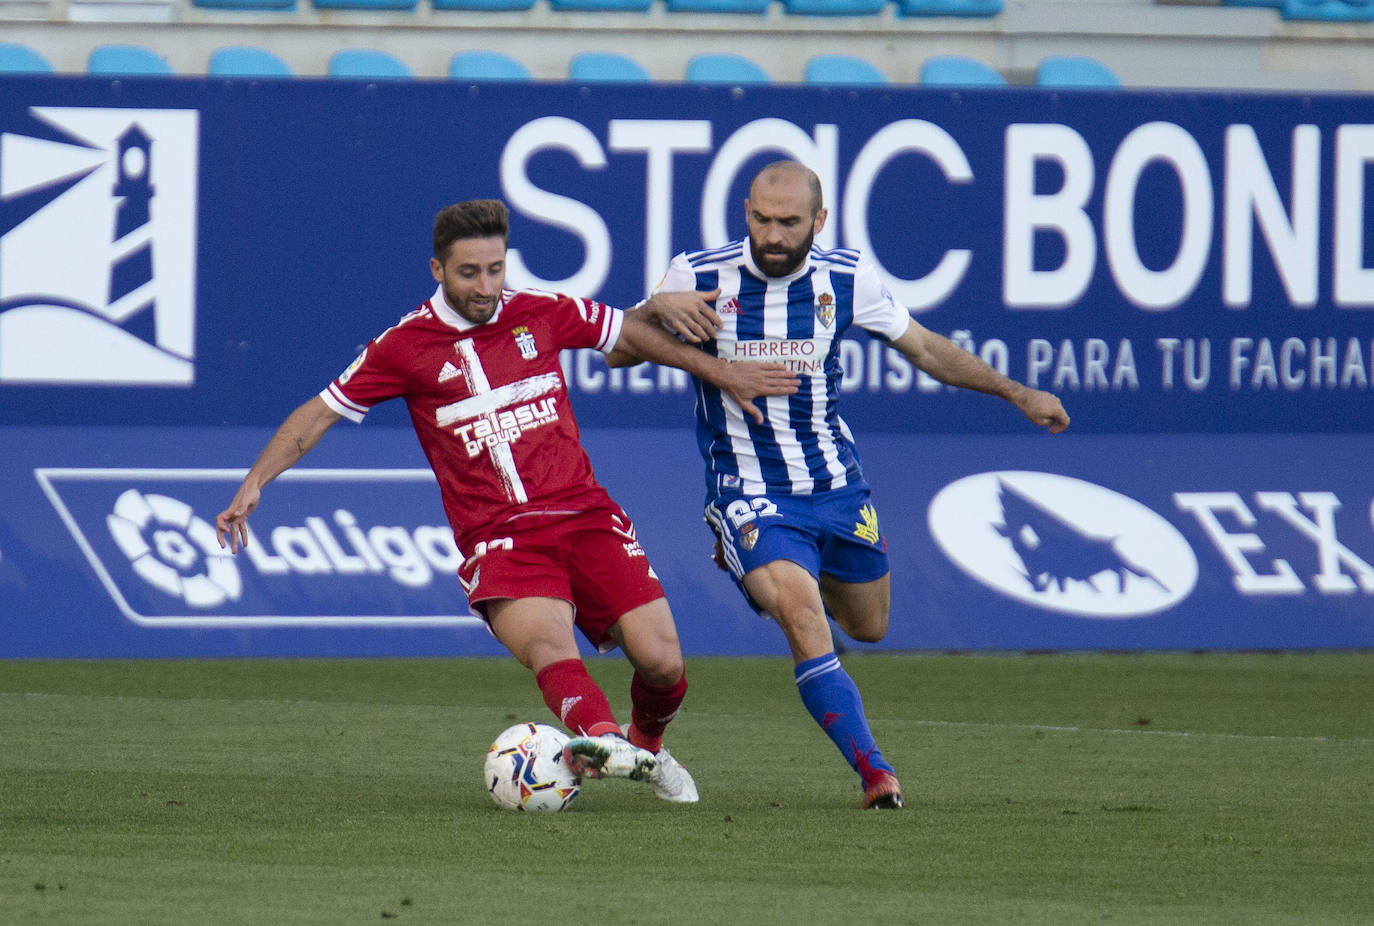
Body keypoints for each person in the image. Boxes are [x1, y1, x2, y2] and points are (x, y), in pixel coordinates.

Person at [215, 199, 800, 804]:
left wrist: (718, 372)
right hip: (500, 537)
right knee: (550, 645)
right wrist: (257, 481)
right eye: (470, 272)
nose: (486, 285)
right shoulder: (403, 346)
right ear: (438, 269)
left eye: (495, 268)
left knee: (664, 666)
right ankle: (600, 737)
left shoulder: (540, 312)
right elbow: (316, 415)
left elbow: (628, 333)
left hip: (586, 515)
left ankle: (645, 749)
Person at [608, 161, 1070, 810]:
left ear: (817, 222)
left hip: (837, 489)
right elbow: (617, 350)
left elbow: (928, 350)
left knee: (869, 623)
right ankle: (875, 773)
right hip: (749, 490)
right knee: (802, 615)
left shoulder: (846, 279)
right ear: (746, 212)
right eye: (761, 219)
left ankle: (768, 572)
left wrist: (1018, 394)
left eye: (788, 223)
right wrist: (653, 306)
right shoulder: (699, 274)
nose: (772, 234)